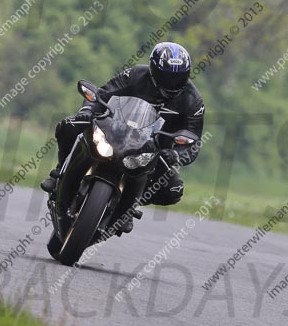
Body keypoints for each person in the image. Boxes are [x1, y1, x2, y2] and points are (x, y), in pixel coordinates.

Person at [41, 42, 205, 233]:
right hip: (115, 130)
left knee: (173, 189)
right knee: (69, 126)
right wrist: (87, 110)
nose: (171, 82)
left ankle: (129, 206)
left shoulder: (193, 101)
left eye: (178, 77)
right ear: (154, 69)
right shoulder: (135, 75)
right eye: (166, 76)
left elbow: (193, 142)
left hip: (154, 147)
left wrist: (175, 154)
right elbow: (102, 94)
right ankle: (59, 172)